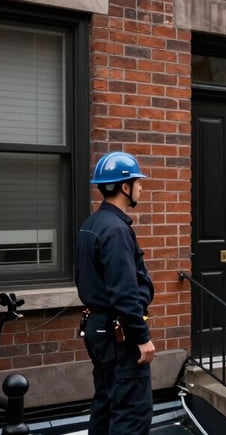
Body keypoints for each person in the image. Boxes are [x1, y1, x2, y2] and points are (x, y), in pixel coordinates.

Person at [75, 151, 155, 435]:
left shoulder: (92, 225)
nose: (141, 188)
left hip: (98, 328)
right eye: (138, 182)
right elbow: (124, 291)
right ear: (124, 187)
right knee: (131, 412)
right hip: (118, 334)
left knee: (106, 404)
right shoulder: (116, 230)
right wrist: (142, 337)